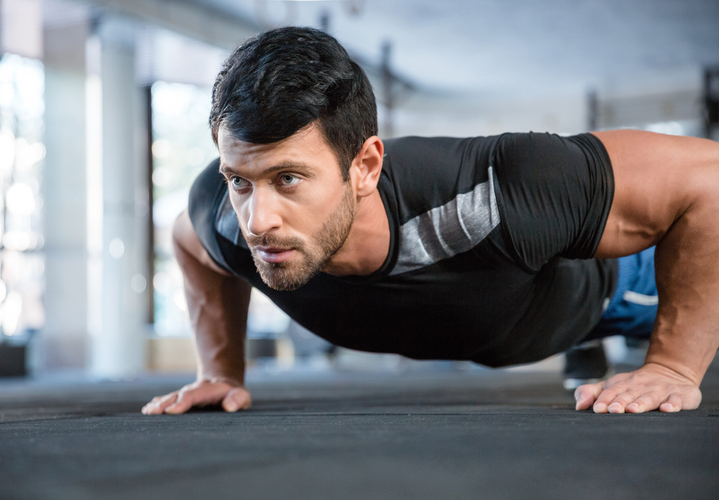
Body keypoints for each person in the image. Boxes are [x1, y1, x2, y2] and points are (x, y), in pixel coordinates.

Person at [142, 27, 719, 416]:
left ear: (365, 165)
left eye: (288, 179)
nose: (258, 220)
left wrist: (672, 366)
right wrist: (221, 370)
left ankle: (598, 338)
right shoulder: (220, 215)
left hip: (616, 283)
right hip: (509, 312)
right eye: (241, 180)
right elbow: (187, 241)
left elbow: (709, 180)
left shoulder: (502, 185)